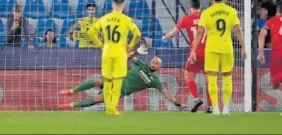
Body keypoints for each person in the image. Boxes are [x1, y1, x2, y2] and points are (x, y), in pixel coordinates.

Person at [58, 47, 186, 110]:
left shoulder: (155, 80)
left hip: (120, 91)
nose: (153, 63)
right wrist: (136, 52)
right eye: (153, 61)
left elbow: (166, 92)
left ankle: (69, 105)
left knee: (99, 99)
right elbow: (127, 57)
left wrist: (176, 103)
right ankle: (72, 91)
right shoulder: (141, 64)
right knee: (98, 80)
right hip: (117, 80)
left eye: (156, 63)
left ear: (159, 67)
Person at [190, 0, 247, 115]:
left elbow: (200, 33)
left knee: (212, 78)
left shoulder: (207, 12)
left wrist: (193, 51)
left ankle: (215, 108)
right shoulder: (231, 11)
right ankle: (226, 108)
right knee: (227, 77)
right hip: (227, 48)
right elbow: (238, 30)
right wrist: (243, 47)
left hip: (211, 49)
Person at [87, 0, 141, 115]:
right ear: (124, 5)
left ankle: (109, 109)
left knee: (107, 81)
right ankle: (113, 109)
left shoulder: (104, 18)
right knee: (117, 82)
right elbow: (137, 34)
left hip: (106, 52)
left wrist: (100, 45)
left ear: (112, 5)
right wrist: (130, 46)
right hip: (120, 53)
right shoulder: (126, 19)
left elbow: (90, 32)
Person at [162, 0, 211, 113]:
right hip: (209, 52)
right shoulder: (206, 17)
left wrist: (165, 37)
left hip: (196, 53)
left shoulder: (186, 19)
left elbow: (173, 33)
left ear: (190, 8)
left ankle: (197, 98)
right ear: (200, 7)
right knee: (209, 80)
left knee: (188, 76)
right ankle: (210, 106)